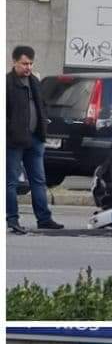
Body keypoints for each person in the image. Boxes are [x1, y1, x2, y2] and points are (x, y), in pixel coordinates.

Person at [6, 45, 62, 234]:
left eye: (30, 63)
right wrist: (10, 131)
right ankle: (12, 219)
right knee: (11, 182)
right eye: (24, 63)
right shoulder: (7, 83)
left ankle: (44, 219)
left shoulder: (35, 82)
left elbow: (41, 106)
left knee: (38, 180)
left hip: (35, 139)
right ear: (14, 62)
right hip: (14, 141)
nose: (28, 67)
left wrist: (42, 126)